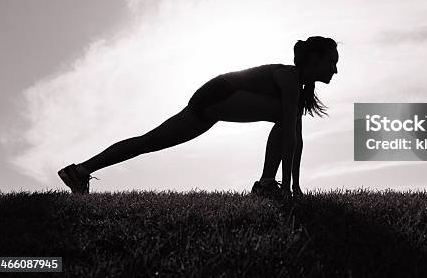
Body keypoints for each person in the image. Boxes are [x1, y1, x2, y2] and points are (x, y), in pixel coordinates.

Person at [58, 36, 339, 199]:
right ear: (314, 58)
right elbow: (290, 135)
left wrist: (295, 187)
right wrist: (290, 190)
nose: (335, 69)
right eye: (332, 61)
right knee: (285, 117)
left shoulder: (297, 87)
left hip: (210, 100)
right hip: (219, 94)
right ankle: (266, 185)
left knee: (149, 141)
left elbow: (295, 139)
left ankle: (79, 171)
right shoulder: (289, 78)